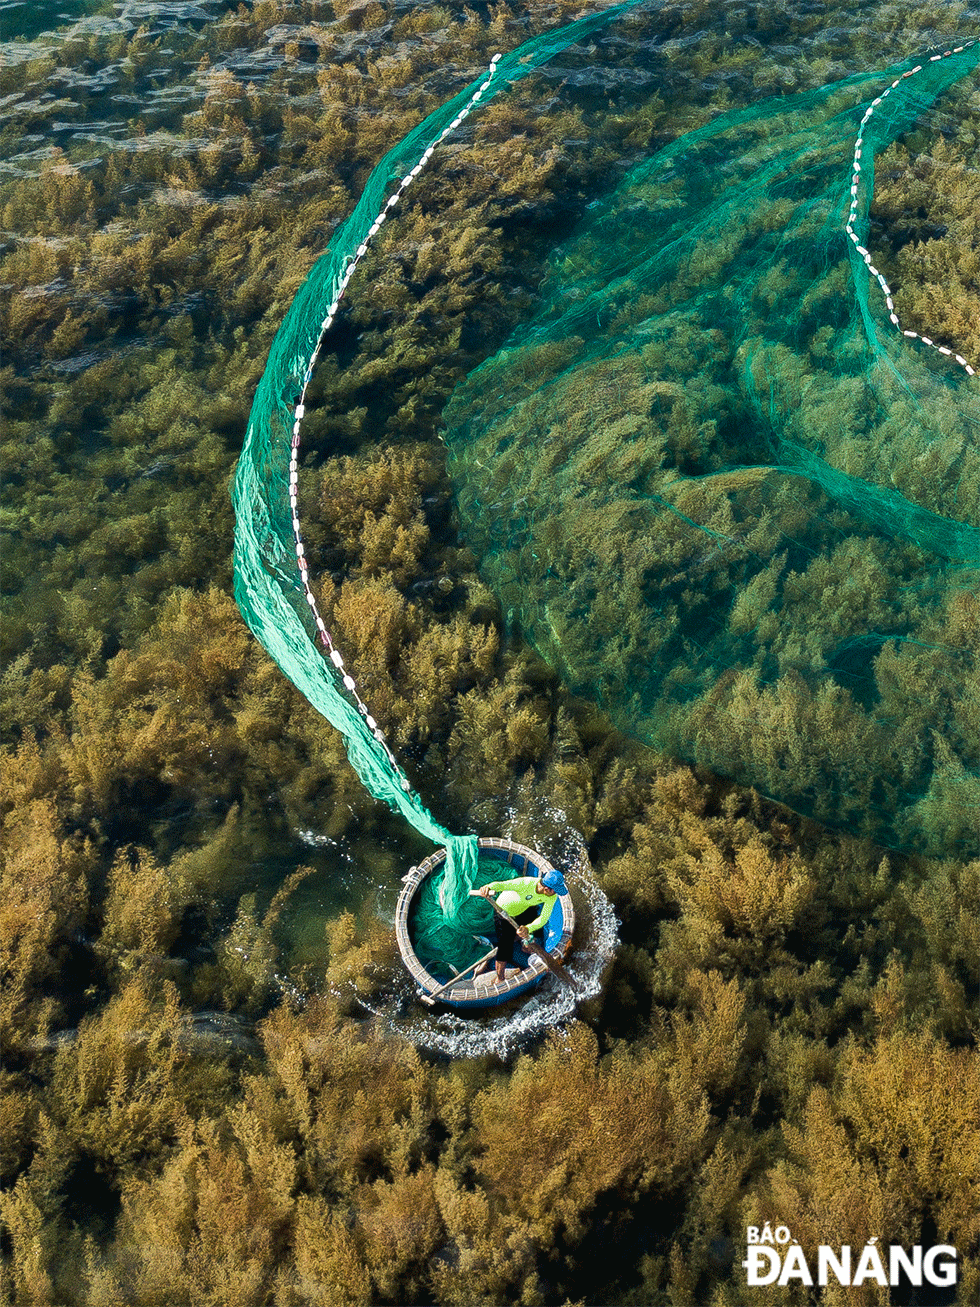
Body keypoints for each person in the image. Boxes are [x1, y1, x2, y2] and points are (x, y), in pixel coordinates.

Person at [477, 869, 567, 982]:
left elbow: (543, 918)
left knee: (536, 931)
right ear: (547, 889)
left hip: (523, 909)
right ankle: (500, 978)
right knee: (504, 947)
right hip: (503, 912)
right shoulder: (525, 883)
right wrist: (488, 887)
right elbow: (502, 885)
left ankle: (524, 944)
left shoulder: (551, 896)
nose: (556, 894)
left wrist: (528, 928)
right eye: (555, 890)